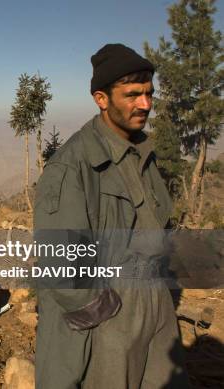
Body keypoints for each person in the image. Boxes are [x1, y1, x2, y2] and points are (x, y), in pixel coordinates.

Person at [33, 43, 189, 388]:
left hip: (156, 302)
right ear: (101, 99)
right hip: (111, 311)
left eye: (149, 93)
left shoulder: (142, 153)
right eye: (133, 95)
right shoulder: (71, 166)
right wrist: (105, 311)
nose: (145, 104)